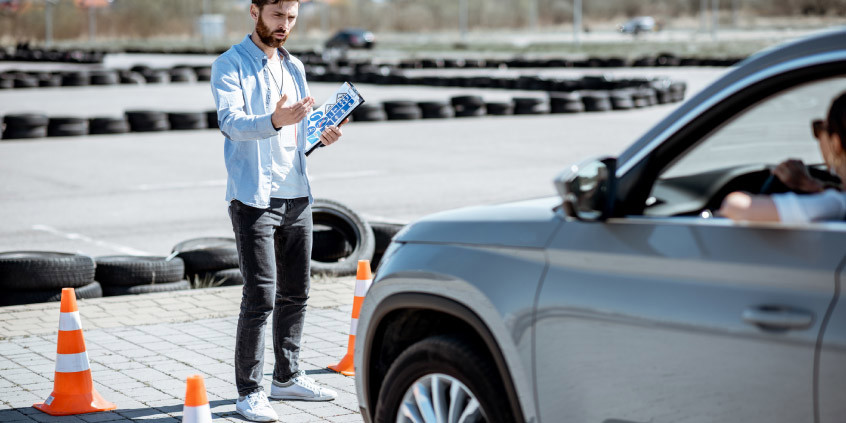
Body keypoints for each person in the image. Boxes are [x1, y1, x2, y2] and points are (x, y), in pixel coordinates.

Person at [210, 1, 346, 421]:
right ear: (254, 11)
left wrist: (320, 135)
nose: (284, 25)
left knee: (298, 293)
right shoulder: (229, 64)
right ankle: (248, 392)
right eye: (276, 16)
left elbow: (299, 133)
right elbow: (231, 121)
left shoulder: (295, 66)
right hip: (254, 199)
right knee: (260, 297)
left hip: (298, 196)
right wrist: (273, 119)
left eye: (290, 17)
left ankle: (286, 377)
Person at [720, 92, 846, 223]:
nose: (819, 137)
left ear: (836, 143)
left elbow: (737, 208)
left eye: (820, 129)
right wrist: (811, 185)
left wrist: (731, 200)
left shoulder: (836, 204)